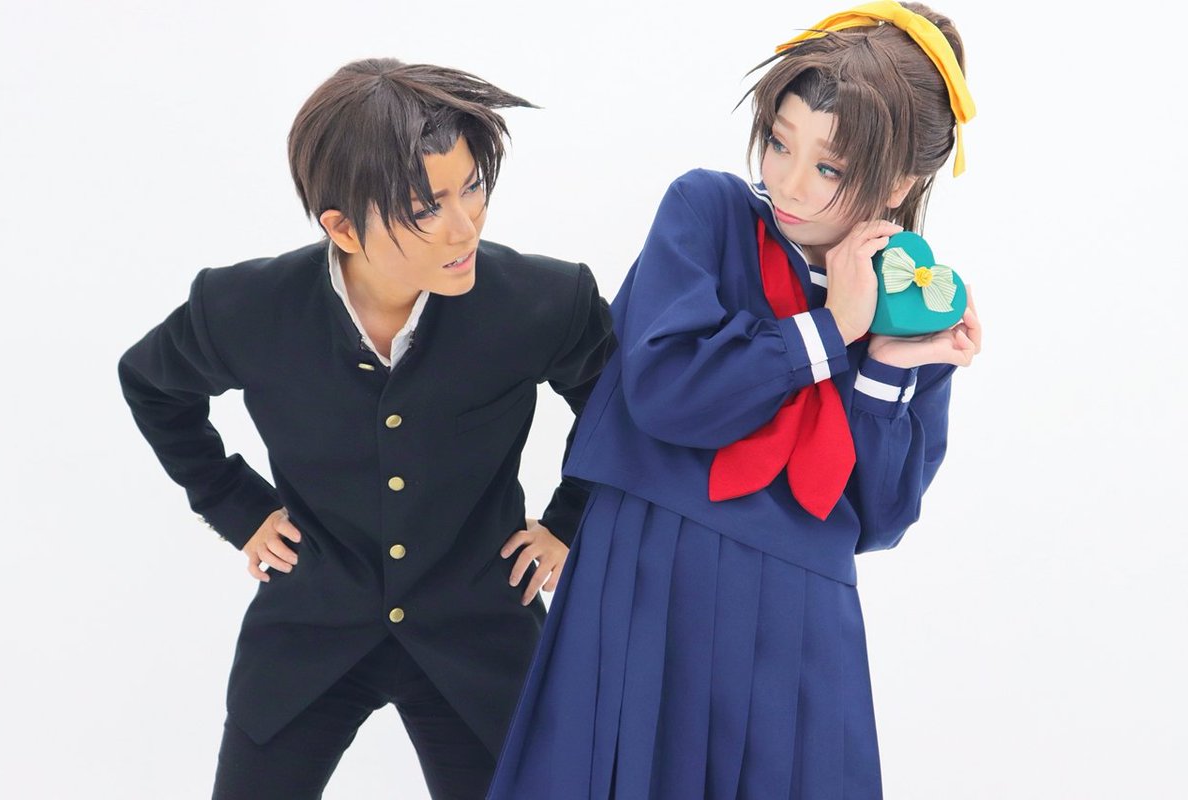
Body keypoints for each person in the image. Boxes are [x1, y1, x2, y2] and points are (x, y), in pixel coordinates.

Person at [486, 2, 982, 797]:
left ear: (899, 183)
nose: (789, 181)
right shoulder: (708, 212)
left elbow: (879, 518)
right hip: (646, 568)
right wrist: (830, 330)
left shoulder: (912, 300)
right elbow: (666, 392)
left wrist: (886, 367)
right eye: (781, 143)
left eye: (829, 167)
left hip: (796, 615)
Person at [117, 58, 613, 799]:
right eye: (426, 208)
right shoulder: (246, 307)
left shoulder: (544, 299)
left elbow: (618, 407)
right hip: (308, 631)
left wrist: (571, 520)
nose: (465, 226)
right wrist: (235, 505)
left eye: (472, 187)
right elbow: (152, 383)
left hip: (481, 634)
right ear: (342, 226)